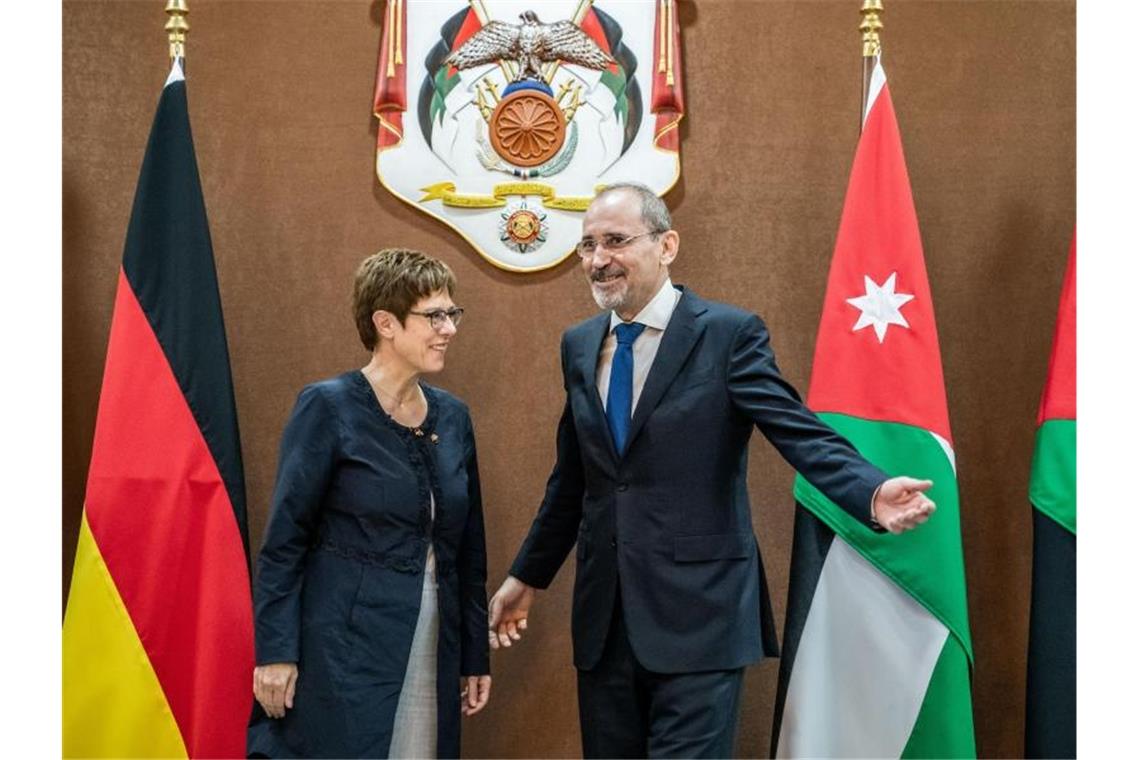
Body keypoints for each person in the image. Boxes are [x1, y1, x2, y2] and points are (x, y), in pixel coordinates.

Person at [488, 183, 935, 758]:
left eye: (616, 241)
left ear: (667, 244)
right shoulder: (578, 346)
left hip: (701, 615)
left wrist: (870, 491)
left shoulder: (727, 334)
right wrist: (527, 578)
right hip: (606, 623)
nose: (599, 261)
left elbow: (794, 428)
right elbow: (575, 480)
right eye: (588, 246)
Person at [247, 249, 491, 758]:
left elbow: (469, 552)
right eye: (434, 316)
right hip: (340, 645)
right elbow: (284, 543)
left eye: (452, 314)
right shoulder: (327, 405)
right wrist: (275, 652)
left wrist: (473, 657)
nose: (449, 328)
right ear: (385, 322)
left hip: (432, 640)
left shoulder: (453, 417)